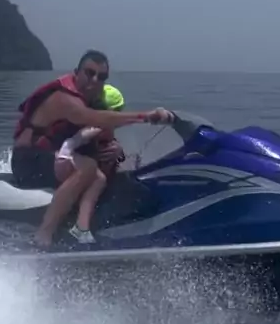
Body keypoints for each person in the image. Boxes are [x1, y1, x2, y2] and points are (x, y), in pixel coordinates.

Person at [10, 50, 173, 248]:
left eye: (101, 77)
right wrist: (146, 117)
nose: (95, 80)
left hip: (54, 158)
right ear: (76, 72)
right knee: (87, 167)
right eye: (89, 73)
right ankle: (43, 234)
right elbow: (93, 119)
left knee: (101, 178)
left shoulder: (90, 101)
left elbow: (95, 137)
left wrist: (117, 151)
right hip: (28, 161)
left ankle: (82, 229)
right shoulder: (63, 99)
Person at [54, 84, 126, 244]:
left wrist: (119, 152)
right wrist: (65, 155)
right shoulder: (90, 128)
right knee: (98, 179)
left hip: (85, 168)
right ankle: (81, 227)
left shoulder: (101, 128)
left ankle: (83, 224)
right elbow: (70, 144)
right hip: (71, 171)